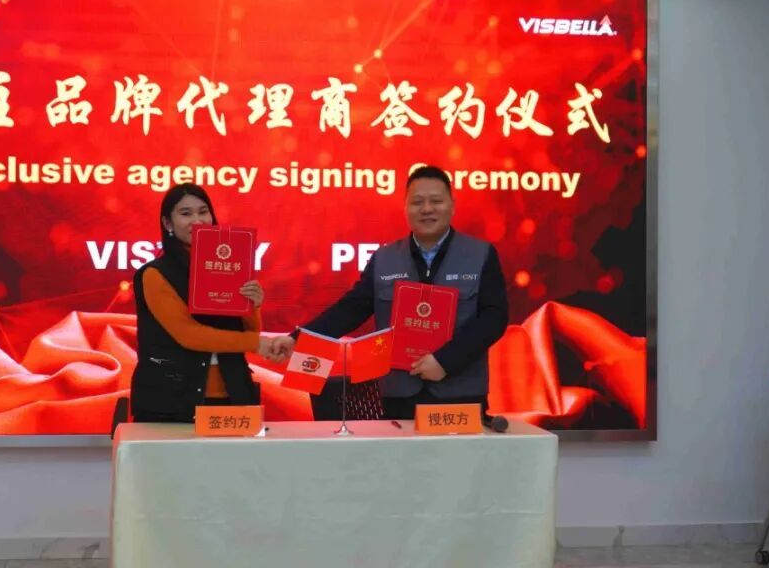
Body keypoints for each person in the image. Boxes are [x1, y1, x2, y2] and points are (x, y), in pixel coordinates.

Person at [271, 165, 509, 419]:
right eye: (417, 202)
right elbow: (350, 309)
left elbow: (494, 318)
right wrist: (297, 339)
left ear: (452, 205)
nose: (427, 209)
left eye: (436, 201)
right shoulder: (384, 258)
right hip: (400, 396)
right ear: (405, 208)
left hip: (459, 395)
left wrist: (446, 361)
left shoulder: (480, 254)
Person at [131, 183, 278, 423]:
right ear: (168, 223)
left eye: (203, 212)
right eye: (185, 213)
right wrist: (257, 343)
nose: (197, 220)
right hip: (172, 401)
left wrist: (253, 305)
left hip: (233, 393)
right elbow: (189, 335)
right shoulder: (155, 274)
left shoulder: (231, 265)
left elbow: (250, 331)